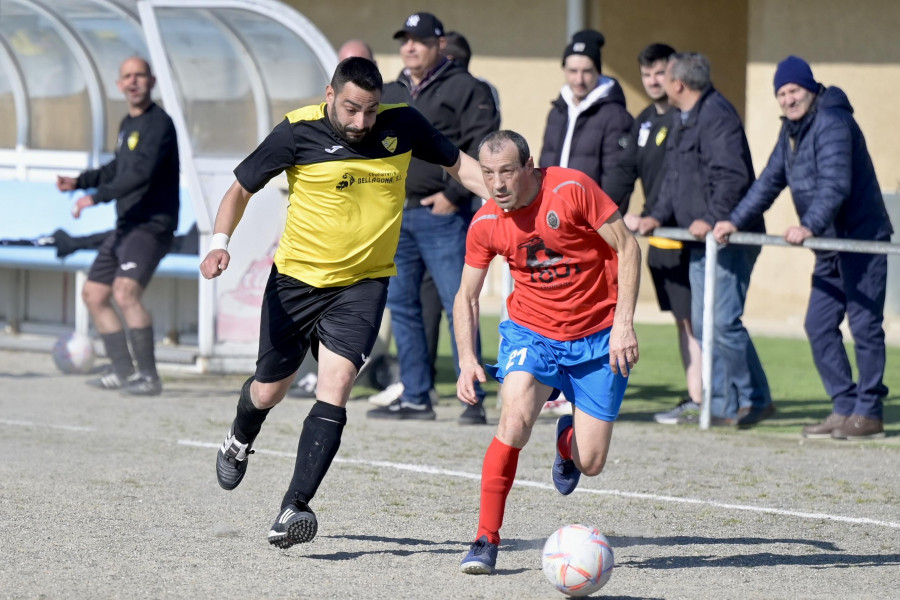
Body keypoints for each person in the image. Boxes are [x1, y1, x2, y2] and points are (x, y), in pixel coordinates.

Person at [200, 57, 490, 549]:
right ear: (329, 94)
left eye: (371, 111)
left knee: (335, 386)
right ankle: (238, 438)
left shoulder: (404, 123)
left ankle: (293, 507)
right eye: (352, 109)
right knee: (268, 391)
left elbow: (460, 165)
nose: (361, 123)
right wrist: (218, 241)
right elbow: (240, 189)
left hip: (363, 284)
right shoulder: (297, 131)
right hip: (295, 283)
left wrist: (512, 201)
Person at [455, 130, 640, 574]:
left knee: (591, 463)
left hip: (598, 335)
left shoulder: (571, 189)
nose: (497, 183)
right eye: (487, 173)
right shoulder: (485, 223)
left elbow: (628, 247)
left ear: (529, 167)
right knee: (514, 420)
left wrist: (623, 324)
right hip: (532, 334)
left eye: (506, 172)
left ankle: (567, 439)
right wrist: (466, 358)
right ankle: (485, 538)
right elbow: (467, 296)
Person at [713, 55, 893, 440]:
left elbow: (836, 183)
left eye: (794, 90)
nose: (788, 99)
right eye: (781, 93)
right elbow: (768, 183)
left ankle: (870, 412)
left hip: (860, 240)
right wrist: (734, 220)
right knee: (818, 323)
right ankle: (844, 406)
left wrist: (808, 224)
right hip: (829, 245)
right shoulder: (792, 132)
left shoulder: (832, 121)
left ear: (810, 88)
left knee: (864, 326)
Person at [366, 12, 499, 425]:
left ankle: (471, 397)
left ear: (440, 45)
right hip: (397, 216)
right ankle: (417, 395)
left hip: (442, 216)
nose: (409, 47)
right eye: (405, 40)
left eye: (419, 41)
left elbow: (483, 147)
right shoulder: (391, 90)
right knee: (403, 306)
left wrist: (454, 194)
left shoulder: (466, 87)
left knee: (459, 301)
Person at [636, 52, 775, 428]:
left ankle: (754, 398)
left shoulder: (717, 117)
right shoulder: (686, 117)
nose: (660, 82)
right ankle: (722, 405)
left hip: (728, 239)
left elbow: (732, 178)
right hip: (703, 243)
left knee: (722, 321)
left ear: (678, 85)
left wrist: (712, 218)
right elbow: (674, 180)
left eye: (665, 77)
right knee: (704, 322)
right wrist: (655, 215)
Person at [56, 56, 179, 396]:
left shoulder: (159, 125)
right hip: (126, 226)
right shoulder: (127, 123)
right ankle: (124, 372)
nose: (134, 81)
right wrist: (79, 182)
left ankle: (149, 377)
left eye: (140, 75)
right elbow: (117, 168)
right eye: (127, 76)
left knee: (125, 293)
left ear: (151, 81)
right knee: (93, 294)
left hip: (151, 226)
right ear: (119, 84)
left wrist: (95, 198)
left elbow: (140, 173)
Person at [609, 43, 703, 424]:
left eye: (659, 73)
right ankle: (700, 396)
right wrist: (603, 214)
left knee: (700, 321)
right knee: (684, 321)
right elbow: (623, 173)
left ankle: (709, 400)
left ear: (676, 74)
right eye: (646, 74)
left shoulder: (690, 119)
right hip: (658, 236)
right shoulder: (644, 120)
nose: (652, 80)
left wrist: (652, 215)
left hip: (690, 236)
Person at [539, 29, 633, 203]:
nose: (579, 79)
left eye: (587, 71)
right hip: (554, 215)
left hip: (590, 221)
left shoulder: (615, 115)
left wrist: (601, 221)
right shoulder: (557, 112)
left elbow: (617, 178)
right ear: (564, 70)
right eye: (573, 71)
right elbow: (545, 164)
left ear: (598, 71)